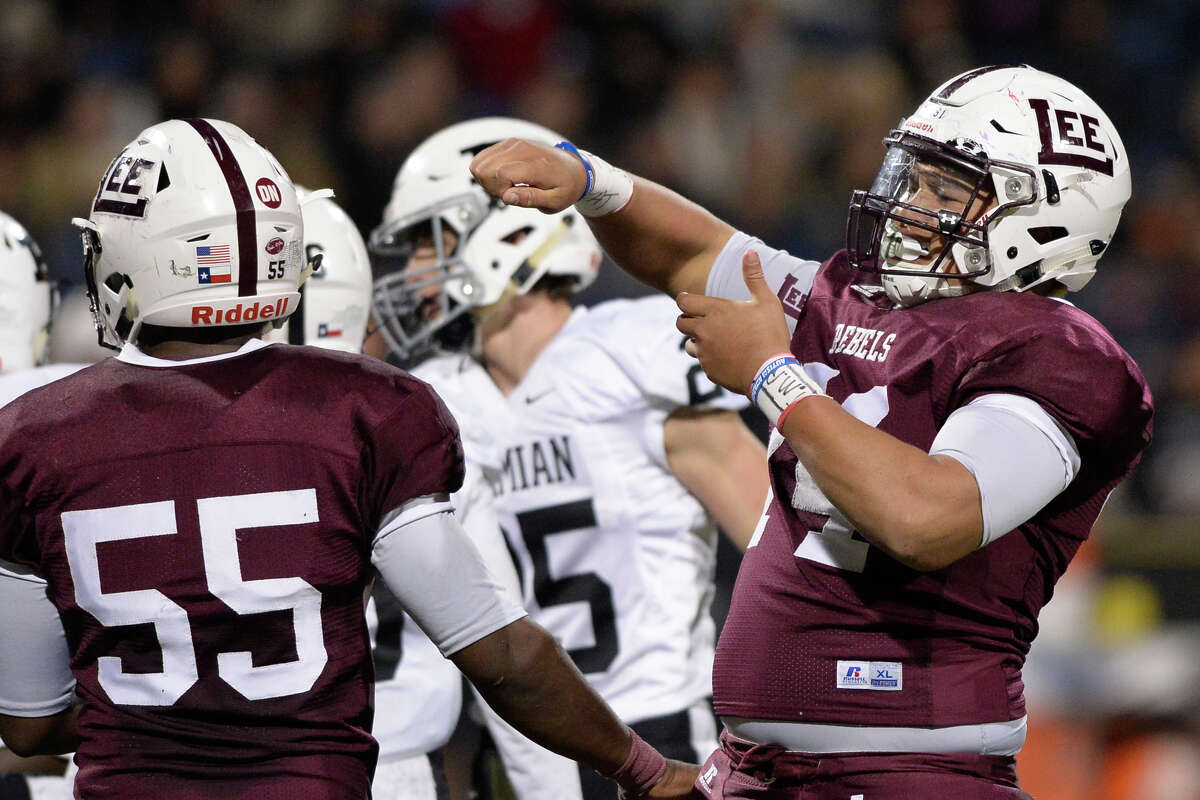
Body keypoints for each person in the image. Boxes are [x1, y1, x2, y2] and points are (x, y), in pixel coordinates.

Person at [468, 65, 1154, 798]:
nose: (909, 204)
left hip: (909, 771)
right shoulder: (858, 299)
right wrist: (592, 179)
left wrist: (771, 373)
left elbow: (926, 519)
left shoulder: (1058, 354)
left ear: (1044, 222)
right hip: (755, 768)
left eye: (945, 190)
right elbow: (698, 257)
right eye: (913, 176)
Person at [0, 118, 697, 800]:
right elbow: (502, 656)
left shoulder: (32, 436)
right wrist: (645, 768)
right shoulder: (363, 409)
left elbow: (30, 726)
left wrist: (160, 716)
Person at [367, 117, 770, 800]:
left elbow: (779, 545)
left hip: (663, 747)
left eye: (426, 242)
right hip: (517, 756)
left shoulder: (630, 352)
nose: (413, 272)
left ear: (507, 232)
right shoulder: (438, 392)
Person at [277, 187, 493, 800]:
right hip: (395, 758)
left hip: (219, 766)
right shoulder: (414, 414)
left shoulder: (160, 430)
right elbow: (498, 639)